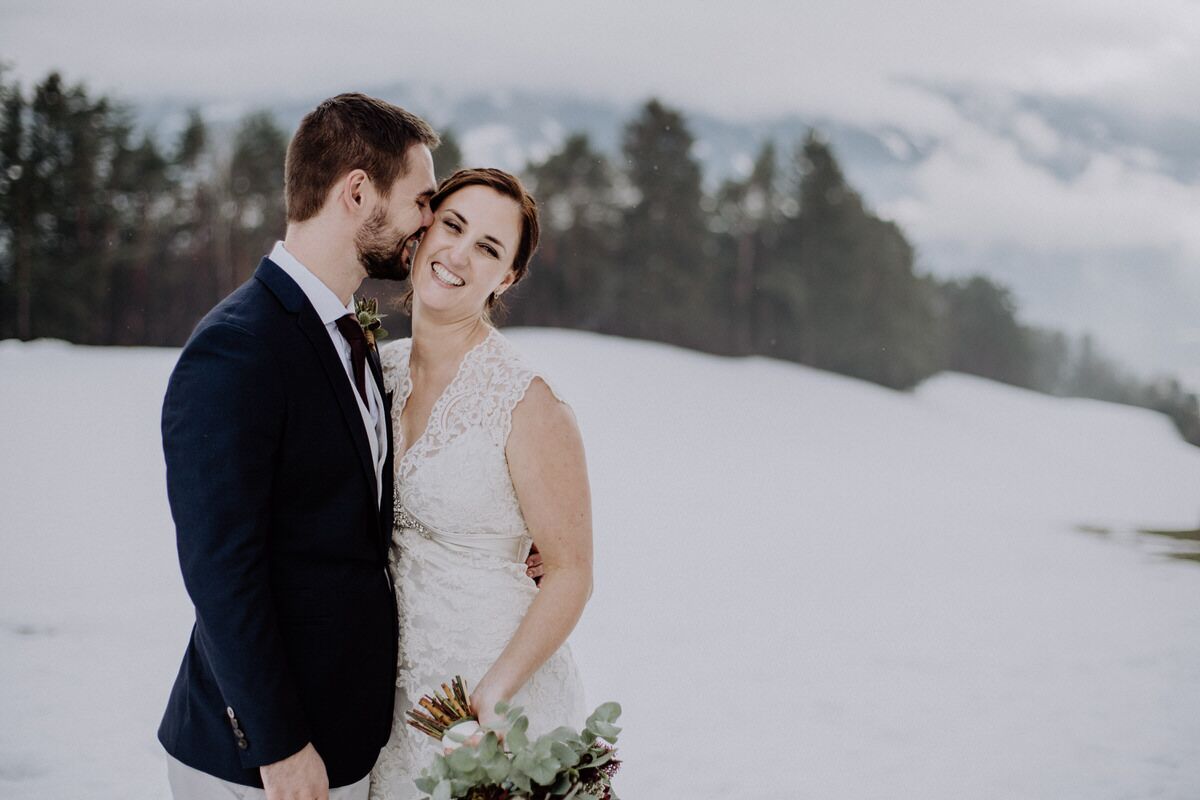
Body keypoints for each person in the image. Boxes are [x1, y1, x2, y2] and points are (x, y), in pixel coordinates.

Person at [157, 93, 440, 800]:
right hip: (258, 765)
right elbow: (222, 569)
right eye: (422, 200)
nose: (429, 225)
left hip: (343, 740)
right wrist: (279, 746)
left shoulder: (351, 333)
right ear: (356, 192)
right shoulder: (236, 349)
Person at [369, 168, 593, 799]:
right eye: (453, 226)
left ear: (508, 276)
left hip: (493, 705)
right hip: (390, 703)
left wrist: (494, 693)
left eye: (490, 249)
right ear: (424, 228)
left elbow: (572, 571)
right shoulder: (371, 372)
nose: (459, 255)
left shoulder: (527, 401)